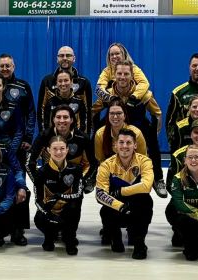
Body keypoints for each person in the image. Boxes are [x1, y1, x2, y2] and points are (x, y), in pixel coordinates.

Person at [92, 60, 165, 197]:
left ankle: (158, 178)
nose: (122, 77)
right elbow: (94, 110)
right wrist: (95, 127)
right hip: (115, 122)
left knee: (153, 141)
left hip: (138, 123)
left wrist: (155, 132)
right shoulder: (108, 94)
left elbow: (157, 114)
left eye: (126, 74)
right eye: (119, 74)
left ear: (132, 75)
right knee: (96, 136)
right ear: (114, 75)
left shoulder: (144, 94)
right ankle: (95, 172)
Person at [95, 128, 154, 259]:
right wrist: (120, 206)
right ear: (115, 145)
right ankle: (115, 238)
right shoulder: (106, 165)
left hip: (136, 206)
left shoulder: (145, 161)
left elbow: (146, 186)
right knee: (105, 211)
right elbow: (100, 194)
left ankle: (139, 243)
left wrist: (121, 191)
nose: (125, 146)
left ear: (135, 145)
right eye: (121, 142)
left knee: (146, 201)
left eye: (128, 142)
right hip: (117, 207)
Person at [33, 136, 84, 255]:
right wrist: (48, 214)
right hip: (50, 210)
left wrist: (59, 196)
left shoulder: (76, 169)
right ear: (48, 150)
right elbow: (37, 200)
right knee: (40, 218)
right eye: (55, 149)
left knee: (74, 206)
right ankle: (49, 236)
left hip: (67, 211)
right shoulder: (41, 172)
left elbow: (78, 194)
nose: (59, 152)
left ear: (67, 150)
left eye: (62, 148)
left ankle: (69, 237)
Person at [28, 105, 95, 193]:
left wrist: (82, 181)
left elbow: (93, 164)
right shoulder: (44, 136)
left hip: (73, 181)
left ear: (72, 120)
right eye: (58, 117)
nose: (62, 120)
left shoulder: (83, 138)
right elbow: (30, 162)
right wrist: (38, 181)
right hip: (49, 181)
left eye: (65, 117)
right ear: (53, 119)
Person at [38, 46, 93, 133]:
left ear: (74, 58)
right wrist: (43, 135)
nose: (64, 58)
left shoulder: (84, 82)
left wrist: (86, 136)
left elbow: (88, 112)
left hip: (76, 136)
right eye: (61, 56)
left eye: (68, 55)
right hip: (53, 136)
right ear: (57, 59)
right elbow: (41, 109)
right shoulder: (47, 81)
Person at [0, 54, 36, 154]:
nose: (5, 69)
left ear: (13, 67)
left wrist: (28, 138)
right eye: (2, 66)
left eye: (8, 66)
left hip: (18, 140)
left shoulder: (23, 86)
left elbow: (31, 113)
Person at [38, 69, 91, 136]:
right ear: (56, 83)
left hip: (75, 140)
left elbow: (83, 126)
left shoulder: (79, 103)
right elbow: (46, 126)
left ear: (71, 82)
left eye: (66, 80)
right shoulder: (50, 102)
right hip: (54, 140)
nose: (63, 84)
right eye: (60, 81)